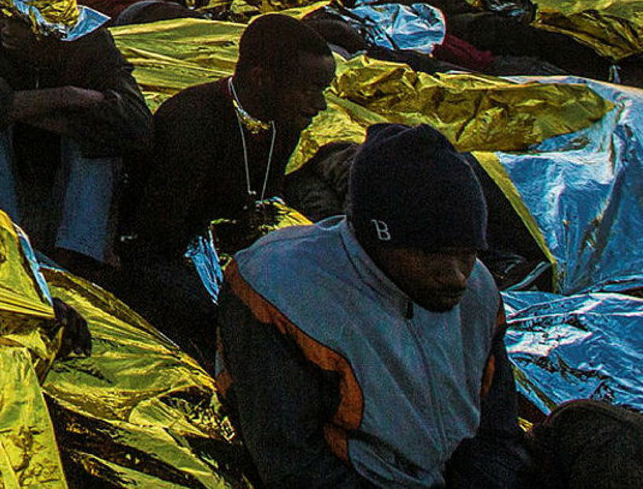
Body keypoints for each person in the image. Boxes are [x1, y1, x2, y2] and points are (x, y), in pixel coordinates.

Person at [219, 123, 528, 489]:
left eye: (468, 254)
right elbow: (293, 464)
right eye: (434, 256)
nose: (457, 276)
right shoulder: (282, 293)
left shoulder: (477, 290)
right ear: (376, 237)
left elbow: (498, 431)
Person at [118, 14, 335, 355]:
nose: (320, 106)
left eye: (323, 91)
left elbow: (265, 201)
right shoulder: (193, 123)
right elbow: (157, 237)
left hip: (236, 243)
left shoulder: (283, 123)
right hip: (167, 253)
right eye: (309, 90)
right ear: (261, 79)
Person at [0, 0, 150, 262]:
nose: (6, 29)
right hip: (9, 175)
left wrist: (15, 103)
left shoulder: (90, 46)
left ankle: (79, 258)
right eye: (4, 16)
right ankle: (2, 245)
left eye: (18, 22)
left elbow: (136, 127)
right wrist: (65, 99)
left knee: (99, 140)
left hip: (63, 180)